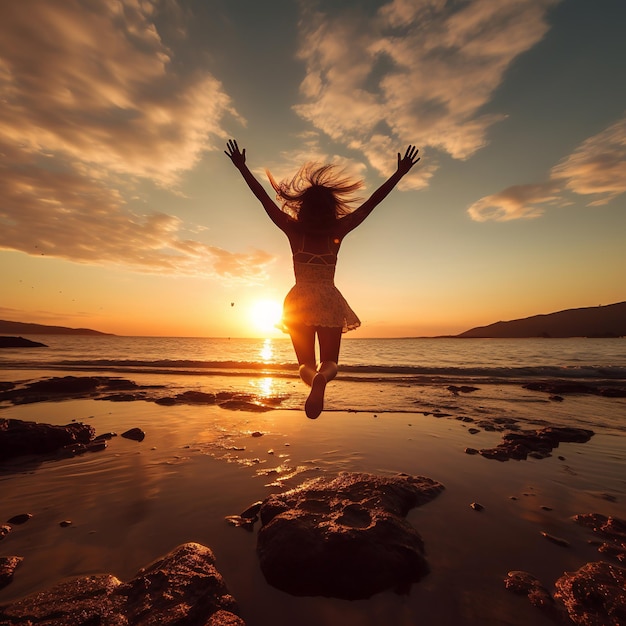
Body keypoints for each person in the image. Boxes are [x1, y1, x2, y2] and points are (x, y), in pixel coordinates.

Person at [225, 139, 420, 419]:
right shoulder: (338, 229)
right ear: (331, 207)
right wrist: (399, 173)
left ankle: (312, 378)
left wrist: (242, 168)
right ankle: (323, 379)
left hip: (299, 300)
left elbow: (263, 200)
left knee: (305, 363)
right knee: (330, 362)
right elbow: (372, 203)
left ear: (303, 206)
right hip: (328, 297)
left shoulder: (293, 230)